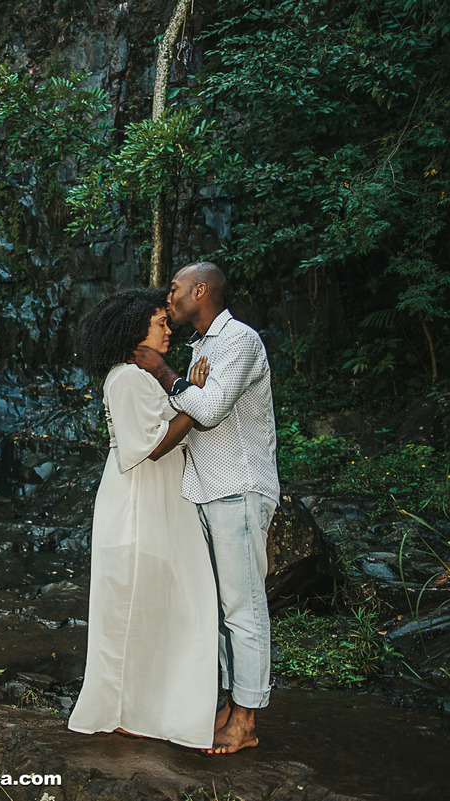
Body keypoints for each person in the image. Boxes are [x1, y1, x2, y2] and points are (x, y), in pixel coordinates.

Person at [134, 261, 280, 755]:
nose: (168, 296)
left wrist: (168, 376)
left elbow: (211, 410)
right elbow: (189, 412)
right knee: (220, 610)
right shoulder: (200, 348)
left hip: (237, 488)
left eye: (175, 288)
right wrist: (185, 386)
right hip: (206, 491)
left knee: (244, 608)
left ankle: (247, 719)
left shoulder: (239, 339)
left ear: (201, 290)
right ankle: (231, 705)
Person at [67, 288, 218, 750]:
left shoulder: (139, 376)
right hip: (137, 505)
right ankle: (123, 712)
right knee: (134, 608)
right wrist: (197, 401)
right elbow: (150, 447)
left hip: (155, 500)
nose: (168, 329)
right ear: (135, 333)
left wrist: (181, 393)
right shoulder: (128, 379)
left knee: (153, 607)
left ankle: (143, 709)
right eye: (159, 323)